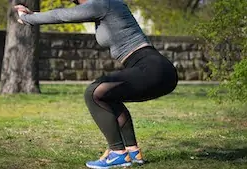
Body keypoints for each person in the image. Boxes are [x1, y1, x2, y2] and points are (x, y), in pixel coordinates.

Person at [15, 0, 178, 168]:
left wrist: (28, 19)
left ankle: (117, 153)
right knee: (109, 95)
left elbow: (62, 16)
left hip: (151, 68)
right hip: (160, 69)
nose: (79, 4)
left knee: (93, 93)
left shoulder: (103, 4)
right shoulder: (110, 5)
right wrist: (33, 15)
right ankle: (132, 151)